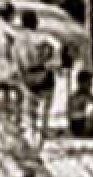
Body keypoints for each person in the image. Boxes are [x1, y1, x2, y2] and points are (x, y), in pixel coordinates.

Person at [12, 9, 58, 144]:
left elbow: (16, 62)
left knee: (30, 112)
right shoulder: (42, 37)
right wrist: (53, 61)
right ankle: (40, 141)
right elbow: (57, 45)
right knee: (44, 111)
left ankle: (32, 140)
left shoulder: (17, 40)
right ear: (36, 22)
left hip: (27, 76)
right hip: (43, 74)